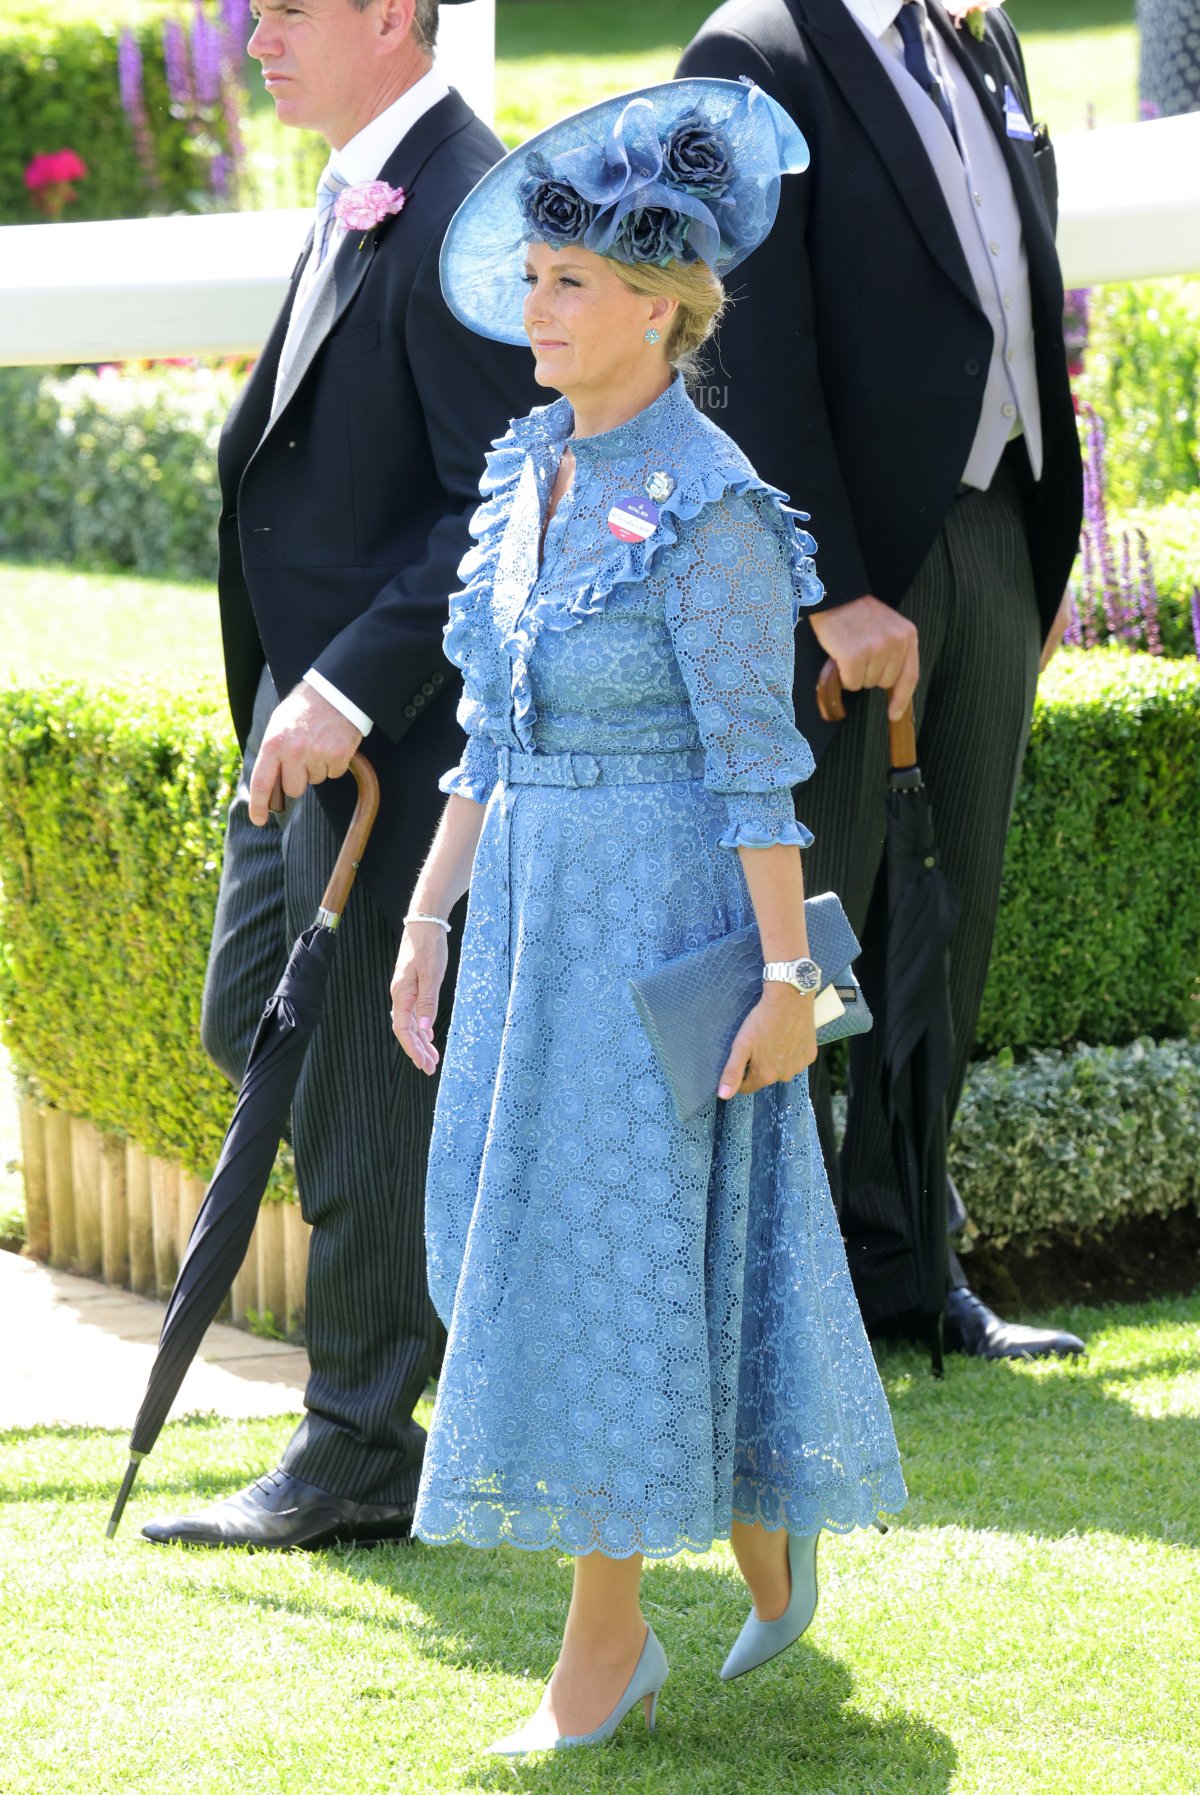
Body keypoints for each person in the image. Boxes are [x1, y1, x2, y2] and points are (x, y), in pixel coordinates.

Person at [390, 78, 906, 1755]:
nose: (531, 311)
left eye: (568, 285)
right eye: (532, 278)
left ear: (667, 312)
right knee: (544, 1243)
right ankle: (766, 1533)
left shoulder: (718, 504)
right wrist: (428, 909)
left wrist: (778, 977)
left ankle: (605, 1650)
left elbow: (762, 775)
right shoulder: (530, 461)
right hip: (535, 914)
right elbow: (490, 721)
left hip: (660, 920)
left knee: (603, 1260)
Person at [143, 0, 536, 1549]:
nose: (253, 39)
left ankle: (360, 1445)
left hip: (398, 745)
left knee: (363, 1093)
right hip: (295, 726)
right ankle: (441, 1349)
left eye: (288, 9)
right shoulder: (366, 180)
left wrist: (347, 688)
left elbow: (490, 512)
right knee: (250, 1023)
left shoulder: (464, 207)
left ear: (390, 11)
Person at [678, 0, 1087, 1359]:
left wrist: (1035, 550)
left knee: (944, 923)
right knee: (807, 936)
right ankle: (765, 1307)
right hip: (841, 577)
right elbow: (737, 338)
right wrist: (829, 585)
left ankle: (914, 1275)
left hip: (992, 536)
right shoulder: (749, 53)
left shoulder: (977, 34)